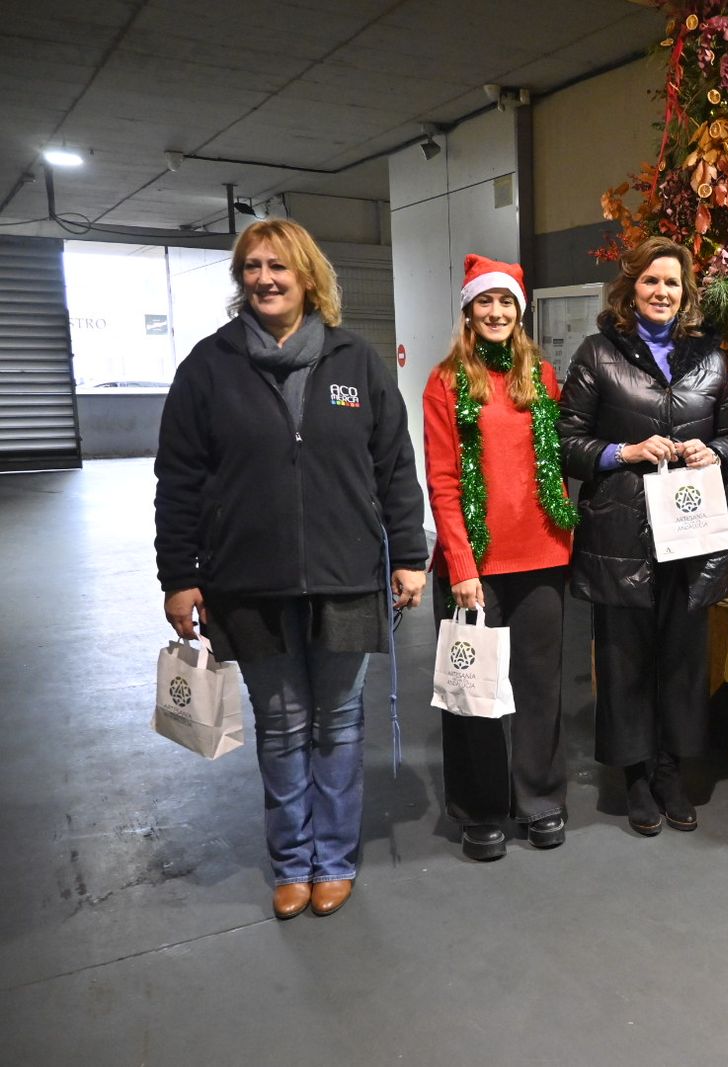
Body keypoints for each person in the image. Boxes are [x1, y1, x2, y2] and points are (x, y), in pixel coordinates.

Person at [154, 218, 427, 919]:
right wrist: (179, 575)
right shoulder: (208, 367)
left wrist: (411, 555)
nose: (265, 278)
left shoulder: (356, 362)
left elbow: (395, 465)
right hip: (248, 584)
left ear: (308, 276)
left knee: (336, 722)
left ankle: (332, 859)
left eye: (279, 266)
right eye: (252, 267)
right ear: (241, 280)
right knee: (280, 725)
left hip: (346, 577)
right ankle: (291, 862)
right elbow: (179, 479)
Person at [557, 237, 728, 836]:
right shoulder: (596, 353)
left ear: (686, 293)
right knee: (625, 661)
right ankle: (634, 777)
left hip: (689, 533)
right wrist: (624, 451)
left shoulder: (711, 360)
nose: (662, 292)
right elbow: (565, 440)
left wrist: (709, 451)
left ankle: (669, 771)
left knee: (682, 661)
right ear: (630, 287)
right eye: (651, 282)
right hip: (621, 534)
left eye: (673, 284)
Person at [423, 255, 577, 861]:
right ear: (469, 311)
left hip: (541, 553)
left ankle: (540, 799)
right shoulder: (445, 381)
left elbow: (557, 459)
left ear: (519, 311)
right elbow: (442, 480)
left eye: (506, 303)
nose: (496, 312)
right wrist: (460, 565)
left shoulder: (539, 373)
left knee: (541, 686)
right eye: (485, 303)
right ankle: (480, 808)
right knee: (474, 693)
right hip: (476, 566)